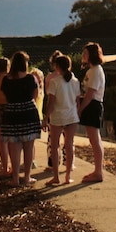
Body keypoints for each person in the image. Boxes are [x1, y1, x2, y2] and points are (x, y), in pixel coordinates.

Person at [0, 51, 41, 187]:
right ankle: (27, 177)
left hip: (11, 113)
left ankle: (15, 178)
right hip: (29, 112)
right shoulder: (30, 79)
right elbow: (35, 95)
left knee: (14, 148)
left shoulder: (6, 80)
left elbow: (5, 97)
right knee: (29, 147)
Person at [45, 53, 80, 185]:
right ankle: (67, 176)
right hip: (72, 116)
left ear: (57, 66)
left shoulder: (54, 82)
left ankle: (56, 176)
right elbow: (77, 100)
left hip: (58, 116)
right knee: (69, 145)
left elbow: (51, 102)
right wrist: (78, 113)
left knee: (55, 146)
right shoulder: (75, 81)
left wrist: (46, 117)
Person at [78, 41, 106, 183]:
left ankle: (98, 172)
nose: (83, 56)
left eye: (85, 53)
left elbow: (90, 93)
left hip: (93, 105)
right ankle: (97, 170)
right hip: (91, 104)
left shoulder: (96, 71)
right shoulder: (91, 70)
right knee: (94, 139)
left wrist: (81, 109)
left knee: (95, 139)